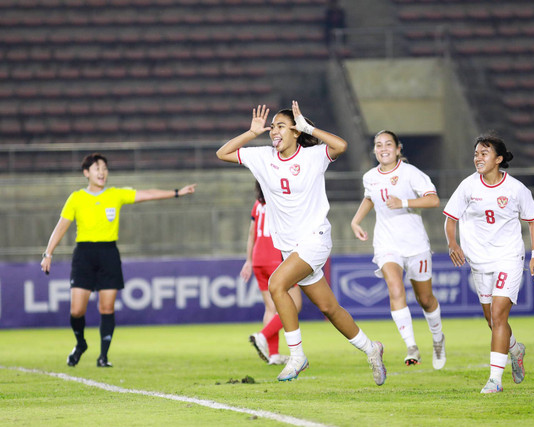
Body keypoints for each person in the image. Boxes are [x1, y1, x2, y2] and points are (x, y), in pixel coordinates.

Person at [216, 102, 386, 385]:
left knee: (276, 285)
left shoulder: (313, 156)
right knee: (329, 308)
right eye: (272, 127)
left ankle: (297, 356)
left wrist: (311, 129)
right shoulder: (263, 156)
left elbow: (341, 146)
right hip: (290, 248)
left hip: (315, 239)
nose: (274, 132)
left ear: (296, 132)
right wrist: (251, 132)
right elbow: (222, 153)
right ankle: (372, 348)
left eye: (281, 126)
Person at [41, 153, 196, 368]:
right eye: (97, 168)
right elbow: (61, 226)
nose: (102, 172)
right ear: (87, 173)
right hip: (84, 255)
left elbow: (147, 194)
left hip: (108, 253)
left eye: (104, 168)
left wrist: (177, 192)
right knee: (77, 310)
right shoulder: (76, 198)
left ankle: (103, 356)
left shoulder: (115, 195)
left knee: (107, 308)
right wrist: (48, 253)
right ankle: (81, 344)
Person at [443, 134, 534, 394]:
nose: (478, 157)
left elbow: (533, 221)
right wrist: (452, 243)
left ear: (498, 159)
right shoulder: (467, 186)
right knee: (492, 320)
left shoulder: (516, 189)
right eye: (476, 153)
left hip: (508, 257)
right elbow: (450, 218)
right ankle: (515, 347)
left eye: (484, 153)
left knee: (498, 316)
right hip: (479, 261)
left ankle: (495, 380)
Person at [350, 130, 446, 369]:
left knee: (425, 299)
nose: (383, 149)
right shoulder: (370, 176)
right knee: (394, 287)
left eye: (388, 145)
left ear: (398, 149)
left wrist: (403, 202)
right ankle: (411, 346)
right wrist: (355, 221)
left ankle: (437, 338)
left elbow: (433, 200)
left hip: (415, 245)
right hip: (386, 244)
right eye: (378, 145)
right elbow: (370, 198)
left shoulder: (411, 173)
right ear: (374, 150)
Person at [240, 181, 303, 365]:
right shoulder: (281, 200)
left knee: (271, 308)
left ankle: (274, 354)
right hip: (276, 257)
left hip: (259, 259)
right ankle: (262, 336)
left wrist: (249, 260)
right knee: (294, 305)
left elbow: (252, 234)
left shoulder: (258, 204)